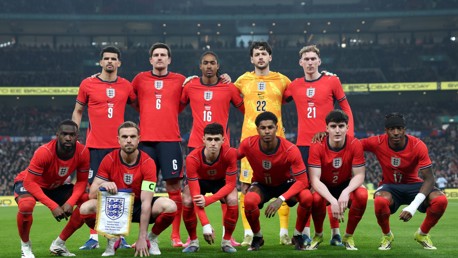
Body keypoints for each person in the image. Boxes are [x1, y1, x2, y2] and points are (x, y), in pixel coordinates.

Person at [284, 44, 354, 246]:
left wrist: (347, 135)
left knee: (331, 189)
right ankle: (305, 232)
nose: (310, 62)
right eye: (306, 59)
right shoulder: (294, 85)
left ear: (319, 61)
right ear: (300, 62)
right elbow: (276, 97)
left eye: (313, 59)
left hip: (329, 144)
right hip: (303, 146)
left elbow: (345, 107)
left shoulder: (332, 81)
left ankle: (335, 234)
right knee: (306, 193)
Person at [79, 121, 177, 256]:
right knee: (85, 208)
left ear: (139, 139)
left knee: (170, 205)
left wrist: (141, 237)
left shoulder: (148, 162)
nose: (129, 140)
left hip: (138, 206)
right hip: (115, 207)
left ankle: (151, 238)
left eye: (132, 136)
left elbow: (147, 202)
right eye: (124, 137)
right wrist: (103, 185)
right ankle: (112, 239)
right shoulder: (109, 159)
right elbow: (92, 194)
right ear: (118, 140)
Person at [72, 46, 136, 250]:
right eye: (106, 58)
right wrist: (75, 138)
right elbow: (78, 110)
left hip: (119, 149)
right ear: (100, 62)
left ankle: (120, 235)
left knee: (120, 193)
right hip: (94, 147)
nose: (110, 61)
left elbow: (140, 104)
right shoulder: (87, 84)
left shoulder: (126, 85)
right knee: (91, 193)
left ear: (119, 63)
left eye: (113, 58)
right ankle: (94, 237)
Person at [234, 41, 293, 246]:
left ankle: (284, 232)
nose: (260, 57)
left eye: (264, 54)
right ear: (252, 59)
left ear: (270, 57)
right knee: (246, 187)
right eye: (257, 54)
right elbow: (226, 95)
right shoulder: (242, 80)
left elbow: (303, 89)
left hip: (278, 143)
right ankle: (249, 233)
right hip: (249, 143)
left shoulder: (282, 80)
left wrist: (327, 76)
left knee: (283, 184)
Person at [360, 113, 448, 250]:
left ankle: (422, 234)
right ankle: (387, 236)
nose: (396, 133)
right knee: (379, 200)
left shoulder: (418, 145)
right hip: (390, 186)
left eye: (399, 128)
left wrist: (413, 207)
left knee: (441, 200)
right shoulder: (376, 142)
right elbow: (352, 144)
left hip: (414, 185)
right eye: (392, 129)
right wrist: (328, 137)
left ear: (404, 129)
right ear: (386, 131)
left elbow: (430, 179)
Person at [131, 42, 187, 247]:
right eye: (156, 55)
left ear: (169, 59)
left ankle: (175, 236)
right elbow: (130, 99)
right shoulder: (139, 79)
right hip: (145, 142)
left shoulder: (180, 80)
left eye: (163, 54)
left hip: (170, 140)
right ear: (150, 59)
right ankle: (143, 235)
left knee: (174, 186)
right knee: (146, 188)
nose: (160, 57)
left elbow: (185, 101)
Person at [237, 111, 313, 251]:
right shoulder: (247, 144)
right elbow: (230, 158)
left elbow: (303, 181)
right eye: (263, 128)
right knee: (248, 200)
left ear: (276, 128)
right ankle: (257, 237)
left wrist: (281, 199)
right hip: (261, 185)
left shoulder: (290, 149)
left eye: (270, 127)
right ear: (257, 129)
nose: (267, 131)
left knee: (307, 197)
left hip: (285, 184)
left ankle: (297, 235)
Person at [14, 120, 89, 258]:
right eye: (64, 134)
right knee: (26, 205)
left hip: (55, 186)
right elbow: (30, 183)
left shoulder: (83, 152)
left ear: (77, 136)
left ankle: (59, 243)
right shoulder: (44, 152)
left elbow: (82, 181)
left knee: (86, 201)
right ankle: (25, 246)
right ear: (57, 135)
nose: (68, 137)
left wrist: (70, 202)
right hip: (30, 183)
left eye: (72, 134)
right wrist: (53, 206)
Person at [307, 110, 367, 251]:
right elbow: (314, 179)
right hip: (324, 185)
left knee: (363, 195)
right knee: (315, 198)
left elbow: (359, 175)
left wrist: (346, 192)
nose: (337, 130)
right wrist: (333, 200)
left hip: (344, 184)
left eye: (341, 126)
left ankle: (348, 236)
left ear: (347, 127)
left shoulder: (355, 144)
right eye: (333, 126)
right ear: (327, 129)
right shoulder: (317, 145)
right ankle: (318, 235)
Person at [181, 123, 239, 253]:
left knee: (233, 199)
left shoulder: (230, 154)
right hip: (200, 182)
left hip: (221, 182)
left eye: (217, 139)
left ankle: (227, 242)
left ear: (223, 140)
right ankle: (193, 241)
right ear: (203, 140)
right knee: (187, 199)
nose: (213, 143)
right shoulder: (192, 158)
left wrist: (209, 200)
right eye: (209, 139)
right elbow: (196, 195)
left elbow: (230, 184)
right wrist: (205, 224)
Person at [180, 51, 244, 151]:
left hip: (221, 145)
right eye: (205, 63)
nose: (209, 66)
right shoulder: (190, 86)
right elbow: (177, 108)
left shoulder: (229, 87)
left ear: (218, 66)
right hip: (197, 143)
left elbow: (246, 110)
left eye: (212, 63)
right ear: (200, 66)